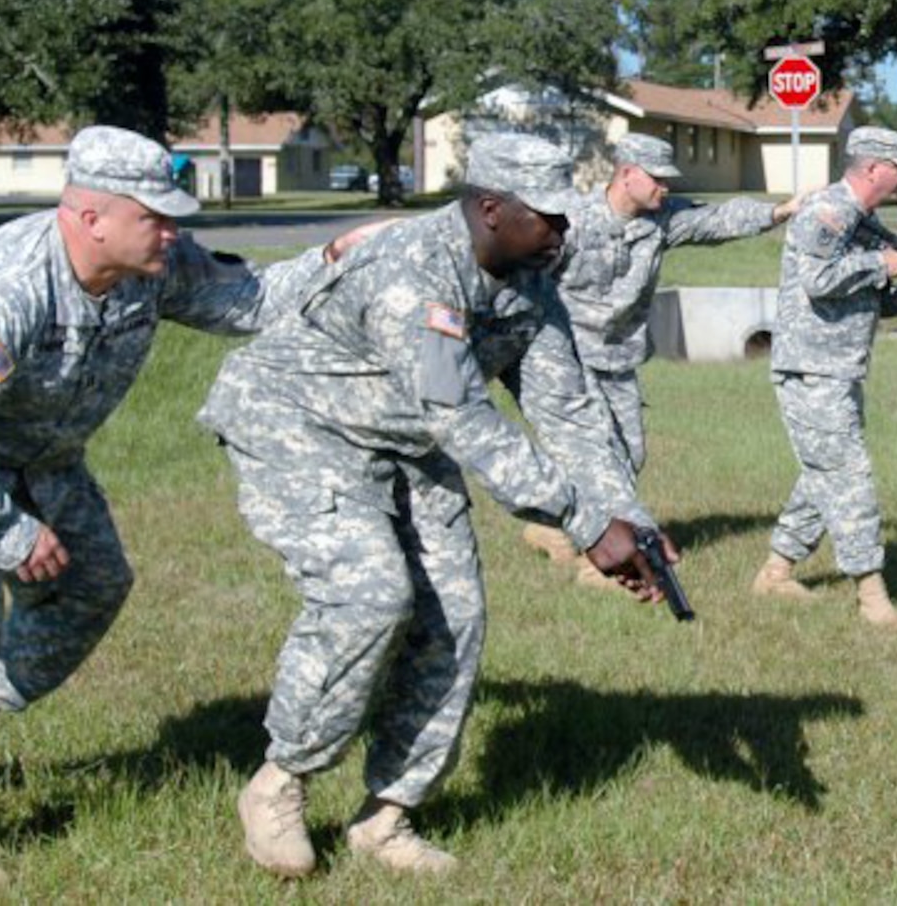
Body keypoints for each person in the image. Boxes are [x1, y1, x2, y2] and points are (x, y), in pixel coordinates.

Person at [0, 125, 325, 894]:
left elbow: (248, 302)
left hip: (31, 445)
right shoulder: (5, 294)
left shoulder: (149, 263)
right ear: (89, 216)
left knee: (95, 582)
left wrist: (340, 256)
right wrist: (5, 531)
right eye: (154, 216)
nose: (173, 230)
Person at [198, 131, 672, 880]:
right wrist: (583, 524)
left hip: (406, 440)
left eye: (567, 215)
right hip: (300, 424)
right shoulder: (411, 270)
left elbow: (571, 415)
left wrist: (627, 518)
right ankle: (280, 783)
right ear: (490, 207)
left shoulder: (532, 283)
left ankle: (387, 816)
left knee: (455, 617)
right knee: (369, 597)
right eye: (548, 216)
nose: (564, 230)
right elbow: (464, 421)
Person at [522, 132, 801, 584]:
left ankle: (551, 526)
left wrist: (778, 211)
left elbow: (717, 220)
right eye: (657, 179)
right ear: (627, 174)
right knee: (602, 456)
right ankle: (604, 562)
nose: (665, 189)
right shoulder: (570, 221)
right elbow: (523, 279)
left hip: (620, 357)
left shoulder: (662, 219)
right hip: (568, 357)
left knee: (629, 452)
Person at [759, 126, 897, 625]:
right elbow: (818, 280)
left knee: (822, 475)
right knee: (849, 479)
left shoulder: (864, 221)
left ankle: (774, 573)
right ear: (874, 167)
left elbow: (874, 300)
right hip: (810, 368)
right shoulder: (827, 213)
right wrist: (885, 262)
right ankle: (872, 595)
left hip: (839, 369)